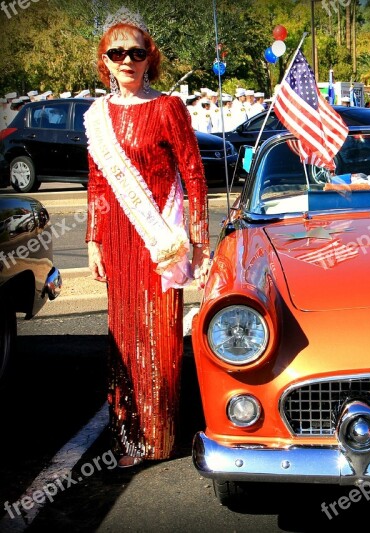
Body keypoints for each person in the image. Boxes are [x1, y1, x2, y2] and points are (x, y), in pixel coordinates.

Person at [84, 7, 210, 468]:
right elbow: (98, 183)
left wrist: (199, 240)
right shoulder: (98, 116)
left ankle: (160, 438)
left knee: (158, 338)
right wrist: (93, 242)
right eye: (117, 53)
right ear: (106, 61)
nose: (126, 60)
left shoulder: (168, 108)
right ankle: (127, 438)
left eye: (136, 52)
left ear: (148, 58)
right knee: (124, 337)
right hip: (117, 241)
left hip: (161, 242)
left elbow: (194, 175)